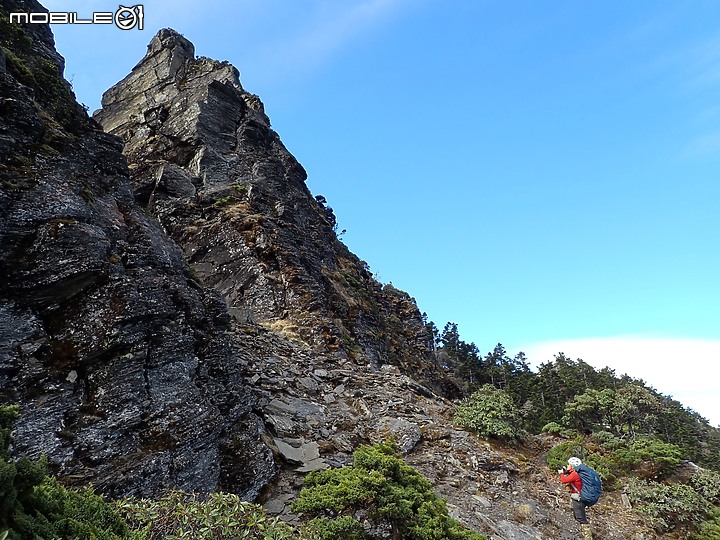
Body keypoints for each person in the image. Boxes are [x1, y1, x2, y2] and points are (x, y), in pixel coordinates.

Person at [558, 456, 593, 540]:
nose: (567, 465)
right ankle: (582, 534)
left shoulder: (575, 474)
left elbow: (563, 480)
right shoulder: (577, 473)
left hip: (578, 498)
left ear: (572, 465)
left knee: (581, 518)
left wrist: (561, 473)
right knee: (577, 516)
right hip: (580, 497)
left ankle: (587, 537)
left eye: (569, 464)